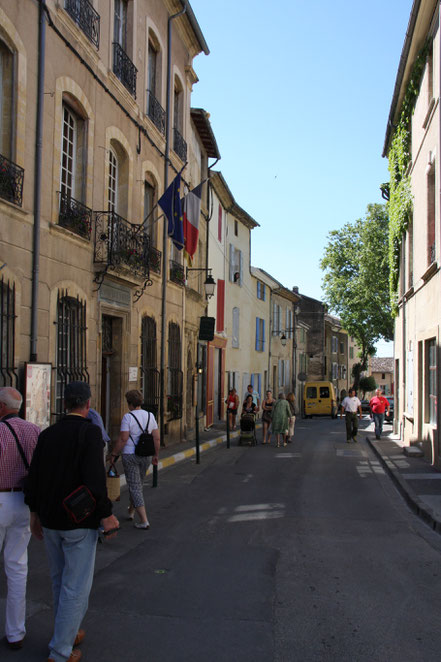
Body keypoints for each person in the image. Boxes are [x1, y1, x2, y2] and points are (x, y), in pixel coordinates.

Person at [24, 381, 119, 662]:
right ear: (88, 405)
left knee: (59, 581)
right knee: (76, 586)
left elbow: (35, 476)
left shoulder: (48, 434)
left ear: (64, 403)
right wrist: (106, 513)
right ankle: (61, 650)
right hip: (78, 521)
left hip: (50, 518)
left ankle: (68, 630)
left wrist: (34, 513)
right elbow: (94, 479)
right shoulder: (90, 433)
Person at [0, 387, 39, 651]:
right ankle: (16, 633)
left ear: (2, 407)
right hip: (24, 503)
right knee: (17, 567)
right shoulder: (34, 431)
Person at [111, 390, 160, 529]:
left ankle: (144, 520)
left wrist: (114, 453)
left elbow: (123, 438)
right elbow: (156, 438)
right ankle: (131, 511)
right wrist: (156, 455)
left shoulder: (128, 417)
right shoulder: (150, 416)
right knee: (138, 484)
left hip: (130, 455)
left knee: (134, 486)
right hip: (146, 455)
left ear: (130, 403)